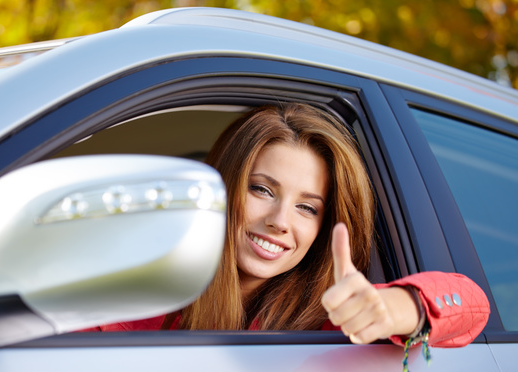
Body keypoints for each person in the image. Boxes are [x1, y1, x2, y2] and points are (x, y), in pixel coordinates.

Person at [92, 103, 490, 352]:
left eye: (306, 207)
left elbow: (471, 302)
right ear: (222, 188)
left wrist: (398, 308)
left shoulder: (324, 323)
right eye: (262, 190)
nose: (279, 222)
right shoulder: (133, 297)